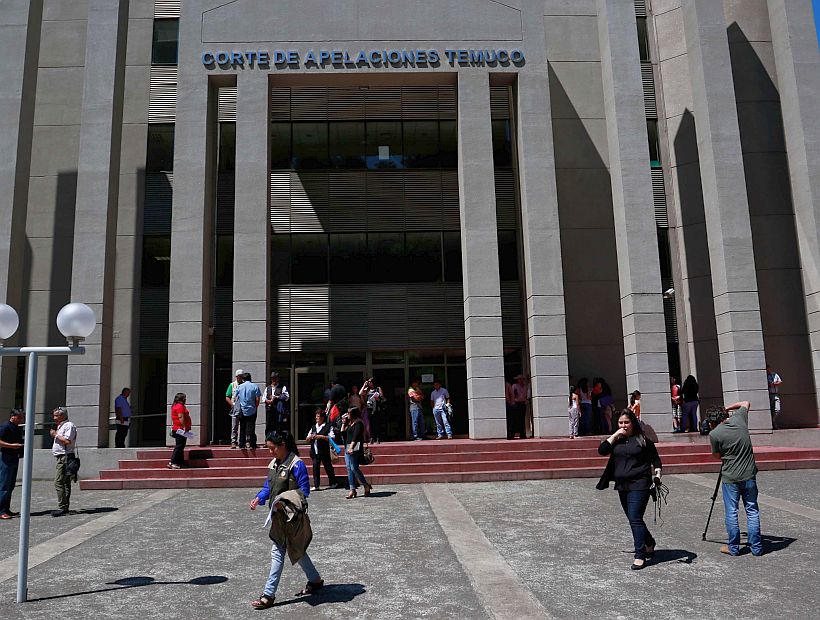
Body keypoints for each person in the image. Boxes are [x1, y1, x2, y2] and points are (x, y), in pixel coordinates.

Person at [249, 430, 323, 609]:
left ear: (282, 445)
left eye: (272, 448)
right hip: (277, 518)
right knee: (297, 549)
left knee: (278, 553)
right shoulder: (273, 464)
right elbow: (268, 487)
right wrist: (259, 497)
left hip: (292, 518)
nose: (270, 452)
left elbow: (304, 491)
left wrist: (285, 502)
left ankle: (268, 595)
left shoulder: (297, 464)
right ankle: (315, 580)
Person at [597, 409, 662, 570]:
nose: (623, 425)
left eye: (626, 422)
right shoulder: (616, 441)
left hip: (640, 484)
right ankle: (649, 542)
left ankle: (640, 555)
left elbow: (656, 460)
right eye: (620, 423)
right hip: (622, 484)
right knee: (634, 518)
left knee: (634, 517)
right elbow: (602, 450)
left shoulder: (643, 440)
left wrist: (658, 476)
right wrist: (615, 435)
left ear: (633, 423)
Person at [708, 401, 763, 556]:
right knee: (752, 510)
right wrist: (725, 408)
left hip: (730, 477)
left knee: (732, 512)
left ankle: (733, 547)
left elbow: (717, 456)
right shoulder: (739, 419)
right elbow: (745, 403)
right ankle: (756, 548)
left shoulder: (715, 434)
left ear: (712, 422)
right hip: (749, 474)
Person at [50, 406, 77, 516]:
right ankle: (65, 506)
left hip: (65, 456)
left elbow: (67, 441)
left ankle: (62, 506)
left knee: (58, 482)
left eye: (56, 415)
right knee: (65, 482)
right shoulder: (61, 426)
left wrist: (55, 435)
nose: (54, 418)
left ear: (63, 416)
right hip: (61, 456)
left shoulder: (69, 425)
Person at [340, 407, 372, 499]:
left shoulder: (359, 423)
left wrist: (351, 447)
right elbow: (343, 434)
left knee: (354, 468)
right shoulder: (350, 423)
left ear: (353, 414)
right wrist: (343, 423)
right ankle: (352, 489)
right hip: (347, 447)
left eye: (348, 413)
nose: (347, 414)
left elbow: (356, 437)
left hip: (355, 448)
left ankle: (365, 484)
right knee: (349, 468)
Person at [0, 409, 24, 520]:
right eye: (19, 417)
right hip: (6, 457)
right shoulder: (5, 426)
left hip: (14, 457)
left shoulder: (16, 427)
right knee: (4, 485)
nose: (21, 420)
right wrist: (12, 446)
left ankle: (6, 509)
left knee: (10, 485)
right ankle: (1, 511)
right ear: (13, 416)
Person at [306, 409, 338, 490]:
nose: (316, 418)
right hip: (315, 451)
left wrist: (321, 437)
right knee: (315, 468)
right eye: (316, 416)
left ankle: (333, 483)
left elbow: (332, 438)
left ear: (323, 417)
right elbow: (307, 438)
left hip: (324, 451)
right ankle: (316, 485)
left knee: (328, 467)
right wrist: (310, 437)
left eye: (318, 416)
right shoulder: (313, 427)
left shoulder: (328, 426)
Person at [236, 372, 262, 449]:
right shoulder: (255, 386)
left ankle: (242, 444)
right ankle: (252, 444)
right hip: (252, 409)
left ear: (243, 379)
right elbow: (257, 399)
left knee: (242, 427)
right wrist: (255, 406)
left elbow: (236, 398)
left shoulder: (239, 387)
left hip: (242, 409)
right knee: (251, 427)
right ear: (250, 378)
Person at [169, 393, 191, 470]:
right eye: (184, 398)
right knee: (179, 447)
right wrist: (184, 427)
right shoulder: (179, 406)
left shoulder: (176, 406)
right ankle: (173, 462)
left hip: (178, 429)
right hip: (180, 429)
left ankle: (180, 463)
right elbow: (181, 417)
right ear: (181, 399)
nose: (185, 400)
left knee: (181, 446)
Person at [225, 369, 244, 448]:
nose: (241, 378)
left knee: (243, 425)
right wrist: (232, 405)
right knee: (234, 426)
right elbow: (227, 397)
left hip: (243, 408)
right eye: (239, 376)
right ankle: (233, 441)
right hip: (235, 408)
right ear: (236, 377)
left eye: (242, 376)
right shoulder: (232, 385)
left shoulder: (244, 385)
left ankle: (242, 441)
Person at [359, 378, 382, 442]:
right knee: (370, 423)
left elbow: (381, 396)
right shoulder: (367, 389)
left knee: (376, 423)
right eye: (368, 382)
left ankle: (377, 437)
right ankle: (371, 437)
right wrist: (364, 385)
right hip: (369, 407)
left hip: (376, 407)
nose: (369, 383)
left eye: (370, 382)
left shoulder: (378, 388)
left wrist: (378, 398)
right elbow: (360, 393)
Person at [509, 375, 530, 439]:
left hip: (523, 403)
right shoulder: (515, 386)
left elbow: (527, 395)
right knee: (515, 419)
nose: (521, 380)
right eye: (520, 379)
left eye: (522, 379)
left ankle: (522, 433)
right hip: (516, 403)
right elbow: (512, 394)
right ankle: (512, 434)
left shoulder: (526, 386)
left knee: (522, 419)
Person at [766, 364, 782, 430]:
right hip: (769, 394)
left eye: (768, 368)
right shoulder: (765, 376)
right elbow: (768, 384)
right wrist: (771, 384)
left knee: (777, 409)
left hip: (775, 394)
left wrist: (773, 384)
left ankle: (773, 420)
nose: (768, 370)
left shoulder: (774, 374)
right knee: (770, 410)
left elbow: (779, 381)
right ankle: (772, 424)